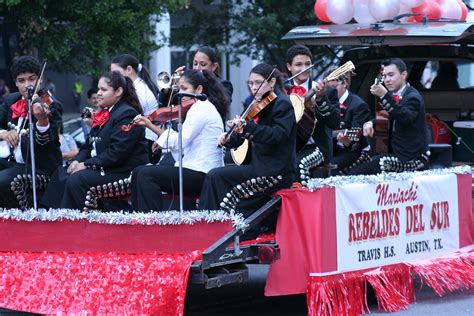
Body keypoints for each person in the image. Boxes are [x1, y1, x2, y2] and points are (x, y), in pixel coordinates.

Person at [200, 63, 296, 224]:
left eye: (258, 83)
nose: (253, 87)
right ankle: (209, 223)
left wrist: (247, 127)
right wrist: (230, 139)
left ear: (272, 82)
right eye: (250, 83)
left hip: (276, 170)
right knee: (215, 175)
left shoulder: (282, 104)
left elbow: (277, 135)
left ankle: (216, 225)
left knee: (216, 176)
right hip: (259, 165)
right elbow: (244, 137)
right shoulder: (256, 104)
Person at [41, 71, 148, 210]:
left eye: (104, 89)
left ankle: (82, 222)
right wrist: (76, 161)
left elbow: (117, 153)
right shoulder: (105, 112)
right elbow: (88, 145)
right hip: (104, 167)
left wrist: (86, 164)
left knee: (77, 179)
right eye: (98, 89)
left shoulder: (127, 114)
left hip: (123, 172)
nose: (98, 93)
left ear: (118, 91)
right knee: (61, 173)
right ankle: (54, 218)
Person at [130, 69, 229, 212]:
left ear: (199, 89)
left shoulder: (201, 108)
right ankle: (140, 221)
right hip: (193, 169)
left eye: (184, 88)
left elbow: (181, 141)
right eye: (179, 89)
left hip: (202, 173)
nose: (180, 94)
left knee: (145, 174)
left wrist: (151, 126)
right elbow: (182, 149)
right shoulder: (198, 107)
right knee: (139, 172)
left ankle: (152, 224)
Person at [0, 55, 63, 208]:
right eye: (21, 81)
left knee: (3, 179)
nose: (27, 85)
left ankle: (21, 215)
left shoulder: (51, 104)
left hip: (40, 169)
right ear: (15, 82)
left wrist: (42, 120)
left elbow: (44, 140)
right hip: (12, 163)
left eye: (31, 79)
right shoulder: (11, 101)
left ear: (39, 80)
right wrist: (4, 134)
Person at [349, 58, 429, 175]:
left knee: (371, 167)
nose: (387, 80)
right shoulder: (392, 96)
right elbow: (385, 117)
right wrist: (371, 123)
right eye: (385, 76)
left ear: (404, 75)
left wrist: (384, 95)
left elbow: (405, 117)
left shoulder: (413, 97)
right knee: (358, 164)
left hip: (413, 158)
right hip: (392, 152)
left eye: (391, 75)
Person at [285, 45, 340, 182]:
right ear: (289, 67)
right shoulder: (282, 91)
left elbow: (335, 122)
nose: (304, 69)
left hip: (316, 147)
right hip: (288, 146)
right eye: (298, 64)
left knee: (298, 165)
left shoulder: (326, 91)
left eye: (307, 64)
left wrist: (321, 99)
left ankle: (302, 202)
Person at [111, 54, 161, 163]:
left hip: (147, 144)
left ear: (129, 69)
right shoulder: (139, 87)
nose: (113, 78)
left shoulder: (139, 91)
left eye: (116, 73)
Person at [327, 73, 372, 174]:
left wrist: (346, 139)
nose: (330, 91)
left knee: (329, 168)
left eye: (334, 87)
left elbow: (356, 139)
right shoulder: (326, 102)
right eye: (327, 88)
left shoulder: (358, 105)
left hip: (352, 151)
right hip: (331, 148)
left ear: (344, 83)